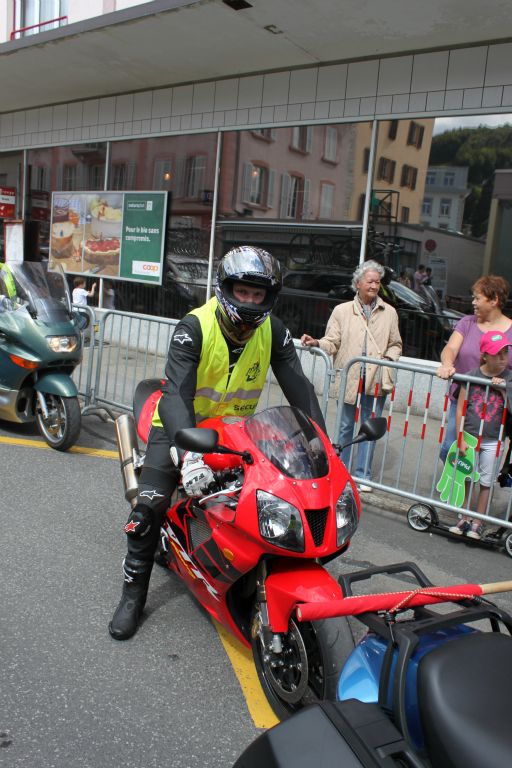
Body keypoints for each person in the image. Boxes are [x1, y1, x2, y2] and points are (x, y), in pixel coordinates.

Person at [109, 246, 326, 641]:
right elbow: (175, 395)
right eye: (243, 291)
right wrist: (188, 455)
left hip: (235, 432)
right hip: (180, 427)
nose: (250, 301)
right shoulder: (194, 327)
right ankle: (132, 595)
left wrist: (320, 442)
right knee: (148, 510)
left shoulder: (274, 331)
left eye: (258, 294)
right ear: (225, 289)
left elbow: (300, 388)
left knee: (270, 498)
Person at [300, 260, 402, 492]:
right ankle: (342, 471)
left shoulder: (390, 313)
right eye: (370, 281)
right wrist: (316, 343)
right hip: (349, 376)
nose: (374, 286)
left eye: (377, 282)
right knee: (345, 426)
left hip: (376, 379)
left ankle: (363, 475)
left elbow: (396, 344)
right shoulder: (342, 311)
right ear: (358, 283)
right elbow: (332, 341)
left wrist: (388, 359)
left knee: (370, 429)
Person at [437, 275, 512, 461]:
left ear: (494, 300)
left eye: (477, 298)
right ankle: (458, 476)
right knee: (450, 448)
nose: (473, 302)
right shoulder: (467, 323)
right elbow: (451, 348)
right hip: (463, 399)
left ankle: (475, 479)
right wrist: (447, 364)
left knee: (485, 454)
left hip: (496, 404)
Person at [448, 330, 512, 539]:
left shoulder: (509, 378)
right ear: (484, 355)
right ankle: (464, 517)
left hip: (493, 439)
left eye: (505, 353)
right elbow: (460, 409)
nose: (503, 358)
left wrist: (504, 390)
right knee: (467, 476)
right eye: (497, 354)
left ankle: (478, 521)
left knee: (486, 481)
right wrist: (460, 438)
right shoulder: (471, 376)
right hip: (470, 436)